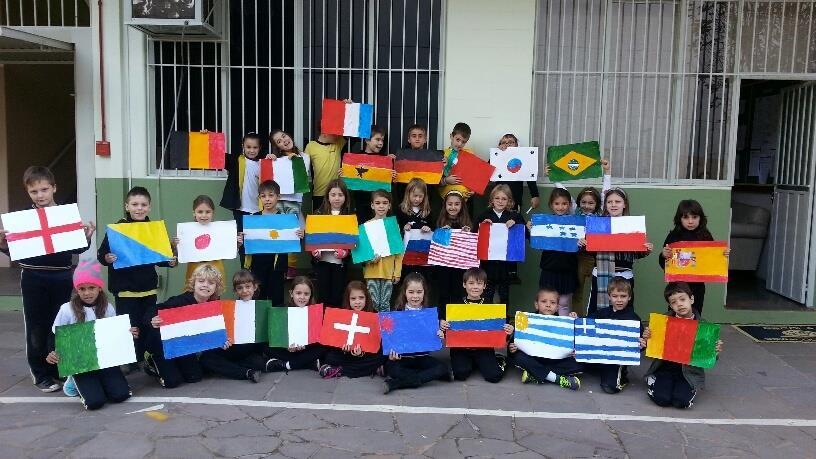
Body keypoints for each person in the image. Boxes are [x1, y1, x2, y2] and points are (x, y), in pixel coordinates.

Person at [0, 166, 95, 392]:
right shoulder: (22, 219)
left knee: (60, 324)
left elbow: (77, 247)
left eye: (44, 189)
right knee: (36, 326)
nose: (40, 195)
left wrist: (87, 237)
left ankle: (57, 369)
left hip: (61, 276)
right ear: (28, 192)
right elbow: (15, 252)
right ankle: (40, 373)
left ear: (54, 188)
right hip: (33, 276)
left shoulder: (65, 216)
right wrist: (3, 243)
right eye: (34, 192)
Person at [97, 186, 176, 370]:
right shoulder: (117, 229)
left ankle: (144, 357)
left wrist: (171, 262)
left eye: (143, 204)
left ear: (149, 207)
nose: (139, 208)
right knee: (128, 327)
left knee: (147, 324)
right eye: (135, 204)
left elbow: (161, 258)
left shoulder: (153, 230)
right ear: (127, 206)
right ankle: (127, 359)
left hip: (148, 289)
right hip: (125, 290)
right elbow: (102, 254)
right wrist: (107, 258)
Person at [45, 258, 134, 409]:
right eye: (82, 289)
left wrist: (127, 333)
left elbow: (114, 332)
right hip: (80, 362)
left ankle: (101, 382)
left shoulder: (108, 308)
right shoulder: (67, 309)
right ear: (76, 290)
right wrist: (51, 352)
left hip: (104, 360)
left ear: (99, 288)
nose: (87, 293)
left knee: (120, 395)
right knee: (94, 402)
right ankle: (73, 381)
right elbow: (54, 334)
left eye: (91, 287)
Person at [643, 282, 723, 409]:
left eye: (682, 299)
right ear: (670, 306)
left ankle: (690, 386)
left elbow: (708, 357)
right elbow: (651, 347)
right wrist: (647, 338)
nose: (679, 304)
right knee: (662, 399)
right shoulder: (663, 321)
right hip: (666, 368)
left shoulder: (704, 327)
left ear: (691, 299)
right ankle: (654, 379)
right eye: (674, 302)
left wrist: (715, 352)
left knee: (681, 402)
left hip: (689, 372)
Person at [144, 264, 224, 388]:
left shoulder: (213, 306)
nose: (205, 285)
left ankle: (175, 364)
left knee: (195, 377)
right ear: (194, 283)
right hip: (162, 344)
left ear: (216, 287)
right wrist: (151, 320)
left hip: (184, 346)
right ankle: (152, 361)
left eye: (211, 283)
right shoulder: (180, 301)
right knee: (172, 382)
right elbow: (153, 309)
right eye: (201, 281)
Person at [580, 188, 652, 316]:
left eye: (617, 201)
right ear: (605, 205)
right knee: (597, 311)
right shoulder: (598, 225)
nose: (613, 204)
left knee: (624, 313)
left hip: (624, 275)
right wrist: (583, 245)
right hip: (601, 275)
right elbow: (591, 251)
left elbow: (636, 253)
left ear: (624, 204)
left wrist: (646, 250)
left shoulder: (632, 225)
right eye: (609, 202)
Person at [198, 270, 273, 383]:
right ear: (235, 290)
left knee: (259, 362)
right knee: (206, 359)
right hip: (231, 349)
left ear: (255, 287)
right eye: (240, 288)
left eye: (248, 287)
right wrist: (222, 341)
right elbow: (222, 332)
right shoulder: (229, 308)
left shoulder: (262, 308)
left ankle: (235, 369)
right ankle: (247, 373)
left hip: (250, 352)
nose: (244, 291)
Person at [440, 268, 512, 383]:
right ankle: (473, 364)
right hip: (461, 349)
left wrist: (508, 330)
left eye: (479, 283)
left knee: (494, 377)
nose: (475, 287)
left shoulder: (491, 307)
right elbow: (447, 331)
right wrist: (443, 325)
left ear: (484, 286)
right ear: (464, 285)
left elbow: (501, 333)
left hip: (483, 348)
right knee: (461, 374)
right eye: (471, 283)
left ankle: (498, 359)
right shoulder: (456, 307)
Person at [382, 272, 450, 393]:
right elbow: (389, 338)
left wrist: (439, 334)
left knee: (443, 367)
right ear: (405, 292)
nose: (415, 296)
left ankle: (396, 383)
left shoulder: (429, 314)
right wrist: (391, 354)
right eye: (411, 292)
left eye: (419, 292)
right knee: (392, 369)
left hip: (422, 358)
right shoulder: (396, 313)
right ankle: (425, 376)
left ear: (424, 293)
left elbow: (433, 337)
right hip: (402, 358)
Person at [658, 200, 729, 315]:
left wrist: (722, 255)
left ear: (700, 218)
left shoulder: (705, 235)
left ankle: (693, 332)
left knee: (695, 313)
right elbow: (664, 263)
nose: (690, 221)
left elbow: (712, 259)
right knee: (675, 315)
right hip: (677, 286)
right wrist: (664, 255)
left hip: (697, 286)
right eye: (686, 217)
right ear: (679, 218)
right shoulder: (674, 235)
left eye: (694, 217)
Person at [581, 277, 646, 394]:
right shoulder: (603, 312)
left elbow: (641, 344)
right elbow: (586, 322)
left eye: (623, 296)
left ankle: (622, 377)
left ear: (629, 297)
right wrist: (576, 319)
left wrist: (641, 345)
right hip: (600, 354)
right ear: (609, 297)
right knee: (576, 359)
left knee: (610, 387)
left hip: (617, 360)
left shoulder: (633, 319)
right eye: (615, 296)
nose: (619, 300)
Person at [508, 287, 582, 390]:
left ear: (557, 307)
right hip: (534, 358)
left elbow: (575, 342)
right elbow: (515, 341)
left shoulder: (564, 322)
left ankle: (534, 374)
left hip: (556, 360)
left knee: (580, 362)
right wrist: (512, 347)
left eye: (552, 302)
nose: (548, 305)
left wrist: (574, 323)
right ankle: (556, 378)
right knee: (518, 357)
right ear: (536, 304)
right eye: (544, 301)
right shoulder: (527, 320)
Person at [247, 180, 304, 305]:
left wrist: (299, 236)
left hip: (277, 266)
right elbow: (246, 243)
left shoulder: (286, 220)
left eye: (271, 195)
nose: (267, 199)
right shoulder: (253, 219)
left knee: (276, 299)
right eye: (263, 196)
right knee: (259, 299)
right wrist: (242, 238)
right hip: (258, 266)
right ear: (259, 198)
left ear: (278, 197)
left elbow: (292, 242)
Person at [526, 188, 579, 316]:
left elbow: (583, 245)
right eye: (557, 204)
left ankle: (562, 332)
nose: (560, 207)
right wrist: (530, 229)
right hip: (549, 270)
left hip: (568, 270)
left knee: (564, 303)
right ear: (551, 205)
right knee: (547, 303)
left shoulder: (576, 223)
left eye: (564, 204)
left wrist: (583, 241)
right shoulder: (544, 222)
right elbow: (532, 239)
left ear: (569, 205)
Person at [319, 281, 387, 379]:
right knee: (330, 356)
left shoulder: (374, 315)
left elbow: (376, 343)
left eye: (361, 298)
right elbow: (336, 341)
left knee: (382, 356)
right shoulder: (342, 315)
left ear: (366, 298)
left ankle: (339, 370)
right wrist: (344, 350)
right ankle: (372, 369)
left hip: (365, 356)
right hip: (347, 355)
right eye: (353, 298)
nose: (357, 302)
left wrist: (362, 353)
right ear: (348, 300)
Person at [474, 184, 527, 307]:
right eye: (497, 198)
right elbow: (474, 235)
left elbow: (525, 235)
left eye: (504, 199)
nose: (500, 201)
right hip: (488, 265)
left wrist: (516, 223)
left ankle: (503, 322)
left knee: (504, 295)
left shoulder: (515, 216)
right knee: (487, 294)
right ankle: (487, 322)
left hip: (506, 265)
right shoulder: (484, 215)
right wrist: (482, 226)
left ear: (509, 201)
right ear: (492, 199)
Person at [269, 129, 312, 279]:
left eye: (284, 136)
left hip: (295, 202)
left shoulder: (304, 157)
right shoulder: (277, 160)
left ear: (289, 135)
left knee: (295, 234)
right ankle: (278, 267)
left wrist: (292, 160)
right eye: (279, 141)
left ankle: (291, 267)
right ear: (277, 147)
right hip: (279, 200)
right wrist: (270, 160)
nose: (284, 141)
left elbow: (302, 174)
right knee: (279, 234)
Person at [265, 276, 327, 374]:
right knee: (265, 346)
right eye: (298, 293)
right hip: (287, 350)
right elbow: (277, 335)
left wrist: (305, 345)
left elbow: (317, 337)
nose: (302, 297)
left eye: (306, 294)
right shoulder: (281, 310)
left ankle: (286, 365)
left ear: (311, 295)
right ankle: (308, 363)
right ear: (291, 293)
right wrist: (286, 345)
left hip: (306, 349)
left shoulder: (315, 312)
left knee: (324, 347)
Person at [219, 132, 263, 266]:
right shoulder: (236, 161)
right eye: (248, 147)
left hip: (259, 211)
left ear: (260, 148)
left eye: (255, 147)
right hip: (241, 211)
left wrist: (271, 158)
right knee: (242, 243)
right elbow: (216, 154)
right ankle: (245, 274)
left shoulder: (264, 163)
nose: (251, 150)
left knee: (258, 243)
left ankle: (256, 272)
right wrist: (207, 137)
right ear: (243, 146)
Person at [174, 195, 235, 283]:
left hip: (215, 272)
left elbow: (225, 253)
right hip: (195, 272)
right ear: (194, 213)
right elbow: (179, 255)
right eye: (200, 212)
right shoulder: (186, 232)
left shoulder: (220, 232)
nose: (204, 215)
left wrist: (235, 242)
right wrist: (175, 245)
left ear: (213, 212)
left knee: (214, 294)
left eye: (208, 212)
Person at [311, 179, 353, 308]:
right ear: (327, 196)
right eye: (333, 195)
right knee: (323, 296)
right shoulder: (318, 214)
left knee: (337, 296)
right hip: (322, 262)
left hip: (339, 264)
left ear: (345, 197)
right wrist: (314, 252)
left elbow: (352, 242)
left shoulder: (349, 216)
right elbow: (312, 239)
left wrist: (345, 252)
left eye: (340, 195)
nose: (337, 198)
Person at [363, 190, 404, 312]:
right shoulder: (366, 226)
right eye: (378, 203)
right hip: (371, 272)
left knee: (385, 304)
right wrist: (369, 260)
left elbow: (398, 252)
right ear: (372, 205)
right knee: (373, 303)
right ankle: (373, 329)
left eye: (385, 203)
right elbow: (363, 252)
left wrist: (397, 272)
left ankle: (384, 330)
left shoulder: (394, 226)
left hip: (388, 272)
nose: (381, 206)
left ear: (389, 205)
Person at [434, 190, 473, 308]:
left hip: (460, 267)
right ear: (445, 205)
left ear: (462, 206)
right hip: (443, 267)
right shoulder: (439, 221)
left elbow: (470, 246)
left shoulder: (467, 223)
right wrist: (441, 233)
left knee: (458, 294)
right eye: (450, 204)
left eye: (457, 204)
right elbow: (435, 244)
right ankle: (443, 321)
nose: (453, 207)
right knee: (443, 294)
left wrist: (468, 233)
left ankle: (456, 323)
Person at [349, 125, 394, 222]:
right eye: (377, 139)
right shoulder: (355, 159)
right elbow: (349, 182)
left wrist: (392, 177)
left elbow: (388, 186)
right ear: (367, 140)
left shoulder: (385, 161)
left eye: (382, 140)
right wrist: (344, 174)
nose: (381, 143)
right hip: (360, 203)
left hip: (379, 205)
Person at [489, 133, 540, 213]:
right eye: (504, 142)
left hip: (515, 199)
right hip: (499, 199)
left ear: (516, 145)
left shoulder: (522, 158)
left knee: (514, 221)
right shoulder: (498, 157)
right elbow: (487, 171)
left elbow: (530, 177)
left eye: (510, 142)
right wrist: (496, 153)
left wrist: (535, 195)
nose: (507, 145)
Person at [396, 178, 434, 281]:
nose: (417, 199)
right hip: (406, 254)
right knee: (407, 277)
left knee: (422, 278)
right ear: (408, 194)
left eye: (420, 196)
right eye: (414, 196)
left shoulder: (427, 212)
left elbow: (433, 230)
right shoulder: (401, 210)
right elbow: (395, 231)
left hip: (422, 253)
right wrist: (403, 229)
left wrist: (428, 228)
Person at [438, 122, 474, 201]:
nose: (459, 144)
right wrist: (446, 180)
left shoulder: (469, 154)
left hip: (464, 194)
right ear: (451, 136)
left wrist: (473, 189)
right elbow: (437, 180)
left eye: (463, 142)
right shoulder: (442, 154)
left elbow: (474, 174)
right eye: (457, 139)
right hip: (447, 193)